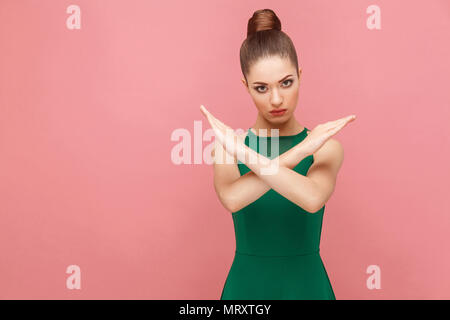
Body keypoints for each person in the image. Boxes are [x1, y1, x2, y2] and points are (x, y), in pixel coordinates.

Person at [200, 8, 356, 300]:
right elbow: (233, 199)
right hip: (246, 290)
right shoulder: (227, 148)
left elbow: (311, 199)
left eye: (286, 83)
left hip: (307, 287)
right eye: (261, 88)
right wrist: (299, 152)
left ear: (299, 76)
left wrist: (246, 152)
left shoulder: (327, 147)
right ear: (246, 87)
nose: (276, 99)